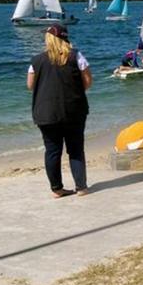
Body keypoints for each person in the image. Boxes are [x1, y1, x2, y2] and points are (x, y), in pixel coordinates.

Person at [27, 24, 92, 198]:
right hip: (73, 110)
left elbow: (30, 85)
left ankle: (56, 189)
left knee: (52, 150)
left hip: (45, 112)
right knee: (76, 149)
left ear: (49, 39)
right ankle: (81, 187)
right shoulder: (76, 56)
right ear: (65, 38)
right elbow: (87, 81)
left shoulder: (36, 60)